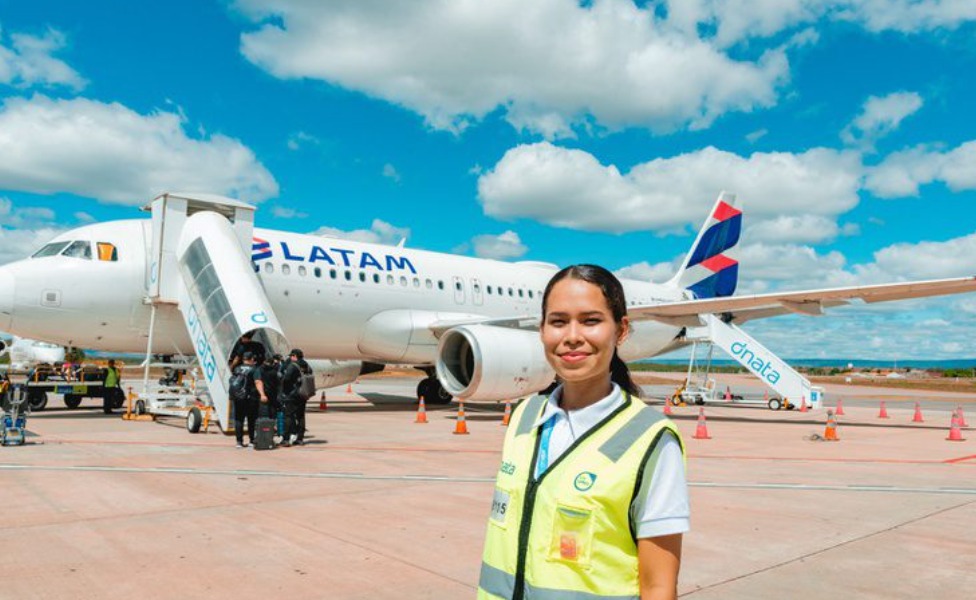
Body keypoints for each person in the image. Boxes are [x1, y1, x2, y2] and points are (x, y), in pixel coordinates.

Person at [478, 264, 688, 600]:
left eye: (590, 321)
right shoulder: (523, 416)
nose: (571, 336)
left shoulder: (651, 439)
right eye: (558, 321)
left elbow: (658, 585)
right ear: (542, 329)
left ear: (620, 331)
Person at [280, 348, 311, 446]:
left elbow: (286, 379)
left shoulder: (292, 366)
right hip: (303, 394)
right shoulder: (306, 365)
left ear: (294, 356)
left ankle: (286, 439)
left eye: (291, 356)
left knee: (288, 416)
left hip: (292, 394)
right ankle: (300, 438)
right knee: (301, 416)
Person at [230, 352, 260, 448]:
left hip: (238, 398)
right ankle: (251, 441)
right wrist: (262, 394)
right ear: (251, 359)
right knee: (251, 420)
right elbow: (257, 382)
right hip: (251, 398)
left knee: (239, 420)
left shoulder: (237, 368)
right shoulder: (254, 369)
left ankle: (239, 442)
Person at [254, 354, 282, 424]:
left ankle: (263, 425)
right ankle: (273, 425)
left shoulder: (259, 369)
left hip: (262, 393)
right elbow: (279, 382)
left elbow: (258, 381)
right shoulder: (274, 371)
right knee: (273, 409)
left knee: (262, 410)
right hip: (273, 392)